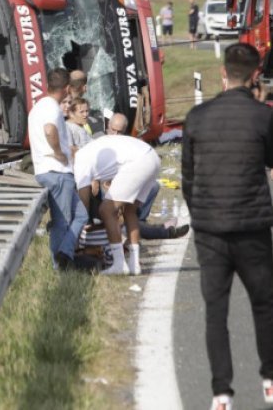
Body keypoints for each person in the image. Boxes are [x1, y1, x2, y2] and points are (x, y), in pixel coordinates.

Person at [182, 43, 273, 410]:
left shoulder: (196, 116)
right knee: (265, 305)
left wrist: (201, 215)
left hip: (210, 230)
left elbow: (188, 179)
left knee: (215, 310)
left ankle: (221, 393)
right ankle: (269, 380)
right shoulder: (263, 116)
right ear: (255, 76)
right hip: (252, 227)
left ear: (223, 73)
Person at [28, 67, 89, 271]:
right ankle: (59, 266)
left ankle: (65, 252)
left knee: (81, 215)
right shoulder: (51, 108)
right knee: (62, 221)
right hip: (57, 172)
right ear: (65, 89)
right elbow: (49, 129)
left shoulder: (39, 106)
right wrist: (59, 152)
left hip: (52, 171)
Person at [73, 134, 161, 275]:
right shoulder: (90, 150)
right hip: (152, 157)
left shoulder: (79, 161)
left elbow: (84, 201)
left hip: (138, 162)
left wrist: (76, 230)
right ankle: (134, 264)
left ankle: (119, 264)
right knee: (129, 211)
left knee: (106, 210)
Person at [105, 113, 189, 241]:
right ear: (107, 126)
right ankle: (164, 232)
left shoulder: (126, 144)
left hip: (122, 185)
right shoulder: (101, 143)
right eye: (113, 130)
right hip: (110, 191)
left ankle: (141, 221)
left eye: (119, 132)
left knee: (152, 186)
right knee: (129, 219)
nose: (115, 135)